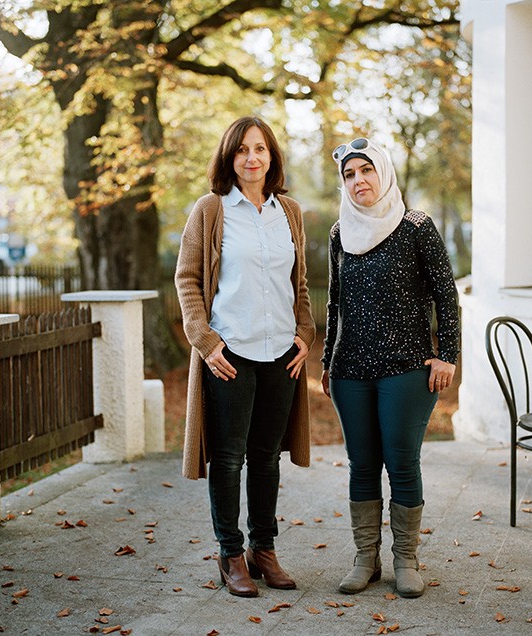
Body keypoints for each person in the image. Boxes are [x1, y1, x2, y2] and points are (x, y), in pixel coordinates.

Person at [174, 116, 316, 598]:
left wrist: (305, 333)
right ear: (229, 158)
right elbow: (187, 279)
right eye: (242, 150)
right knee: (230, 458)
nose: (251, 158)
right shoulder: (211, 211)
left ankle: (264, 550)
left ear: (271, 156)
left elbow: (299, 284)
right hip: (229, 354)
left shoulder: (289, 212)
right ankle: (230, 554)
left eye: (260, 149)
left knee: (266, 459)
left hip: (281, 353)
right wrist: (206, 341)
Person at [321, 137, 460, 598]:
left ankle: (406, 559)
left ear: (382, 172)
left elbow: (446, 294)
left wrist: (449, 355)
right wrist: (326, 362)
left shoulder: (416, 226)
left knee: (401, 463)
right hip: (351, 369)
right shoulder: (340, 233)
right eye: (350, 174)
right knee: (362, 465)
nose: (359, 180)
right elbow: (334, 301)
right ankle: (366, 559)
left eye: (366, 170)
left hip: (407, 368)